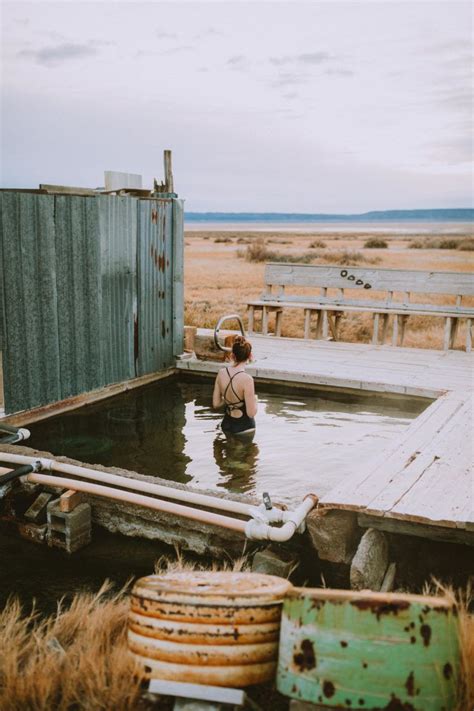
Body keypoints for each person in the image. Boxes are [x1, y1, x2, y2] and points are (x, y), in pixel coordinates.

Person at [212, 336, 257, 435]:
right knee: (250, 450)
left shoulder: (221, 373)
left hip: (226, 424)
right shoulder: (247, 380)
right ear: (250, 356)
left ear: (232, 355)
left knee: (228, 448)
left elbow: (216, 404)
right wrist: (255, 401)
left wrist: (228, 399)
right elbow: (251, 413)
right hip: (244, 427)